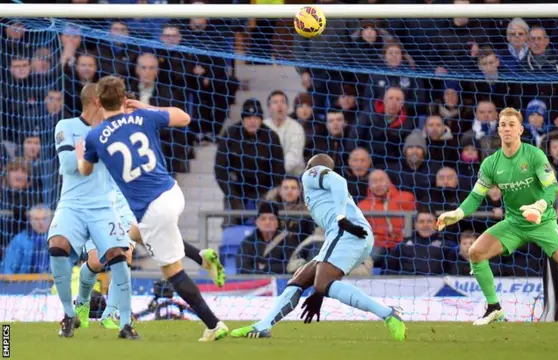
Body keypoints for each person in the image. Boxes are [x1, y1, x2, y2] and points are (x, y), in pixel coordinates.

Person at [436, 107, 558, 328]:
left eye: (511, 125)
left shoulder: (534, 154)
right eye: (503, 125)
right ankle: (494, 307)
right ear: (498, 129)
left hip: (543, 222)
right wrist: (457, 214)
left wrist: (540, 206)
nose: (506, 128)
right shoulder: (491, 163)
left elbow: (552, 187)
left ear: (520, 130)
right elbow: (476, 196)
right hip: (514, 223)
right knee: (476, 252)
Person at [77, 76, 228, 342]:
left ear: (98, 101)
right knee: (135, 235)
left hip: (152, 209)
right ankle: (202, 257)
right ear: (126, 99)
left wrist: (82, 154)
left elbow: (85, 170)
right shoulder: (144, 117)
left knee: (172, 271)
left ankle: (214, 324)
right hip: (172, 192)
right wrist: (145, 108)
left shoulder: (94, 136)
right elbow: (184, 118)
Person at [230, 154, 406, 341]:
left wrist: (341, 218)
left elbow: (338, 180)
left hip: (346, 232)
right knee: (300, 278)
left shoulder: (310, 175)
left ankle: (389, 313)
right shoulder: (325, 192)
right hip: (346, 235)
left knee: (325, 284)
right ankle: (263, 326)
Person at [48, 83, 134, 339]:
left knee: (121, 254)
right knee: (57, 245)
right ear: (97, 101)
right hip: (72, 204)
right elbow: (68, 165)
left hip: (103, 205)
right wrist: (97, 147)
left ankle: (125, 323)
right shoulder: (66, 126)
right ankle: (69, 314)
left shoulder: (113, 130)